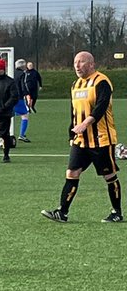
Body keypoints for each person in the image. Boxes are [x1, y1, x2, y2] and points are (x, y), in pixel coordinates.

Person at [41, 51, 121, 224]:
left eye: (81, 62)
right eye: (75, 62)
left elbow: (100, 107)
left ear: (91, 64)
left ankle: (117, 212)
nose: (77, 65)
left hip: (101, 138)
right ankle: (62, 212)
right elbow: (74, 112)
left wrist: (85, 124)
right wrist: (72, 131)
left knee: (109, 176)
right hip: (81, 140)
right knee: (72, 173)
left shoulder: (102, 81)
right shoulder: (75, 85)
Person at [18, 59, 42, 142]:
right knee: (25, 115)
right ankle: (21, 135)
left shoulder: (10, 73)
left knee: (6, 117)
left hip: (9, 99)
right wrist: (27, 94)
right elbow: (23, 86)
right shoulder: (23, 74)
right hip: (18, 99)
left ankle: (2, 136)